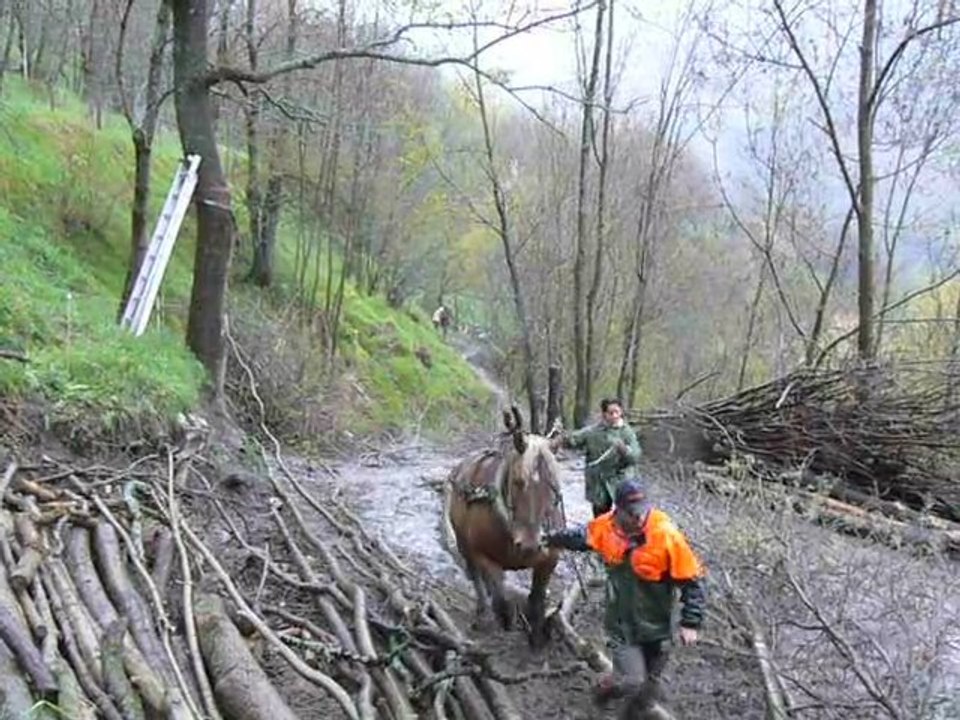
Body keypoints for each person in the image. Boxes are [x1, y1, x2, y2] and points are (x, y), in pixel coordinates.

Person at [543, 480, 705, 717]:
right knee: (632, 680)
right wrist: (549, 538)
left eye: (642, 512)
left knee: (649, 686)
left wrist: (691, 622)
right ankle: (603, 690)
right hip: (621, 624)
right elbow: (578, 537)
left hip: (659, 625)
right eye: (632, 513)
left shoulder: (665, 536)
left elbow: (693, 582)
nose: (639, 518)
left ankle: (630, 714)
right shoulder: (604, 528)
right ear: (617, 510)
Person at [557, 398, 641, 517]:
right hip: (599, 484)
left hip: (621, 481)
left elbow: (635, 457)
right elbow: (573, 439)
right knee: (600, 518)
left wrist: (624, 450)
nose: (615, 416)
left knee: (626, 517)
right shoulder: (593, 432)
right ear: (604, 414)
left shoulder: (627, 433)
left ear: (621, 412)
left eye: (617, 412)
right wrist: (561, 438)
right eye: (611, 413)